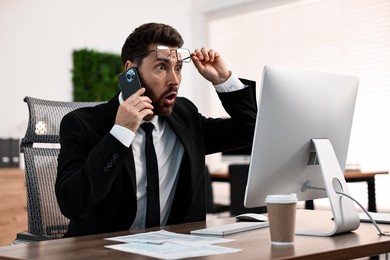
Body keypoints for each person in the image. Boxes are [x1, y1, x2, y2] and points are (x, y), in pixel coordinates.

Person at [55, 22, 257, 237]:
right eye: (161, 67)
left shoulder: (185, 116)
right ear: (130, 72)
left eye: (178, 68)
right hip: (104, 251)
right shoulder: (81, 124)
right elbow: (73, 205)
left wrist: (224, 81)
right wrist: (121, 133)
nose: (174, 80)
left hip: (176, 249)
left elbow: (250, 131)